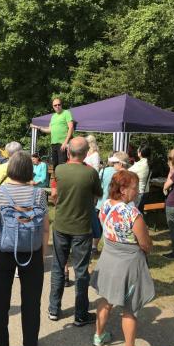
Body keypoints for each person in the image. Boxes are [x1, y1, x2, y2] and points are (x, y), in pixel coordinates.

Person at [0, 151, 50, 346]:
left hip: (3, 251)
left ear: (10, 168)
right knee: (31, 303)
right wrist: (42, 253)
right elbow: (45, 229)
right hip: (31, 250)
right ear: (29, 170)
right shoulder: (39, 194)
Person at [91, 170, 154, 346]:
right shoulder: (132, 213)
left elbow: (104, 229)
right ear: (123, 189)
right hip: (128, 263)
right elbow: (145, 243)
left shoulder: (105, 206)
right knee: (130, 307)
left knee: (106, 299)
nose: (137, 191)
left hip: (109, 257)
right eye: (135, 188)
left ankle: (99, 336)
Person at [48, 136, 102, 326]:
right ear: (86, 153)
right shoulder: (91, 173)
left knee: (57, 267)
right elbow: (98, 195)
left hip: (61, 225)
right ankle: (80, 315)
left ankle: (54, 309)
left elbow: (54, 195)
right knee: (81, 271)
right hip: (82, 227)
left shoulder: (60, 170)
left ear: (68, 152)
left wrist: (60, 203)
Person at [92, 151, 130, 255]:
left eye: (115, 163)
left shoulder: (118, 176)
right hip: (123, 207)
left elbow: (112, 193)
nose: (114, 165)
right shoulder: (130, 175)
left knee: (108, 229)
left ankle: (109, 250)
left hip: (113, 206)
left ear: (121, 164)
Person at [31, 98, 74, 169]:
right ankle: (56, 180)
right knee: (55, 165)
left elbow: (71, 128)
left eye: (59, 104)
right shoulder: (53, 116)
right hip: (53, 144)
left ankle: (62, 180)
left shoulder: (66, 113)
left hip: (62, 144)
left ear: (61, 105)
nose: (57, 106)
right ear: (53, 107)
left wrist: (65, 142)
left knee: (62, 165)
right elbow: (49, 130)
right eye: (55, 105)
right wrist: (38, 127)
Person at [128, 144, 151, 214]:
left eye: (138, 149)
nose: (137, 150)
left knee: (135, 213)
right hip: (146, 191)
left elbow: (127, 171)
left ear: (140, 152)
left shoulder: (140, 164)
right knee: (139, 211)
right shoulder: (148, 162)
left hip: (139, 192)